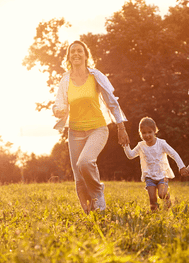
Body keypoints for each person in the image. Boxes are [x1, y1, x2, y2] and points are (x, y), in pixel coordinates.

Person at [52, 40, 130, 213]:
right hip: (75, 132)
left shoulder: (96, 76)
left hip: (98, 128)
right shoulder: (65, 80)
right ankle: (92, 215)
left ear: (86, 56)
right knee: (79, 179)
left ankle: (98, 192)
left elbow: (111, 102)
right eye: (72, 52)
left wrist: (121, 127)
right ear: (69, 57)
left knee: (85, 162)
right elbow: (59, 103)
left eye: (80, 51)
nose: (76, 54)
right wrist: (57, 110)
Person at [123, 117, 187, 211]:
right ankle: (154, 215)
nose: (147, 135)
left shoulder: (161, 143)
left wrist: (181, 167)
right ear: (140, 133)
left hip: (162, 175)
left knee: (161, 194)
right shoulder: (141, 146)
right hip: (149, 176)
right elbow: (130, 155)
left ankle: (167, 197)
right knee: (152, 199)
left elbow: (173, 154)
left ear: (155, 131)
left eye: (150, 132)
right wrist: (125, 145)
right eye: (143, 133)